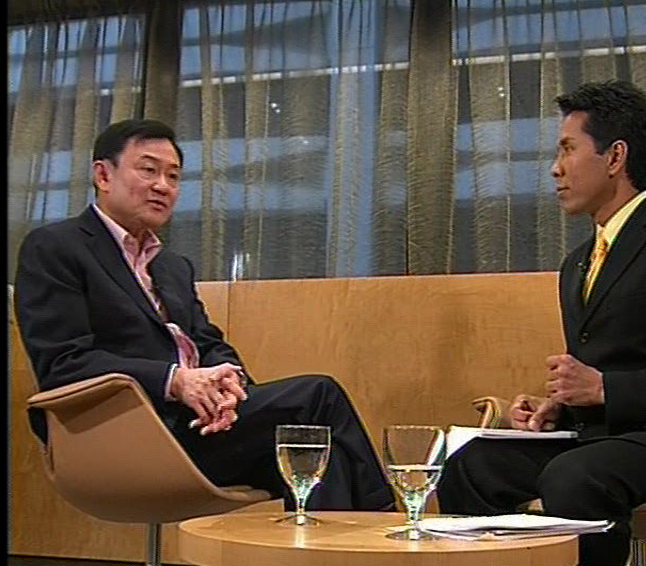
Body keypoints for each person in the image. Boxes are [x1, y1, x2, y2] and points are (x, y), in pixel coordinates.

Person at [436, 80, 646, 566]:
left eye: (567, 149)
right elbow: (599, 374)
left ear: (615, 156)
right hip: (595, 440)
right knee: (471, 464)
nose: (555, 168)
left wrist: (605, 389)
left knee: (575, 476)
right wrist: (557, 408)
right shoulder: (577, 263)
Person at [14, 118, 395, 513]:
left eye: (174, 176)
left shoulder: (172, 266)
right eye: (148, 170)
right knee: (318, 396)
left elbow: (209, 343)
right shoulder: (56, 247)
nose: (163, 186)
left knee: (317, 449)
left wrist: (230, 388)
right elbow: (63, 363)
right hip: (126, 434)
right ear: (103, 175)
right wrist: (176, 381)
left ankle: (340, 541)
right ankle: (386, 520)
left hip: (200, 426)